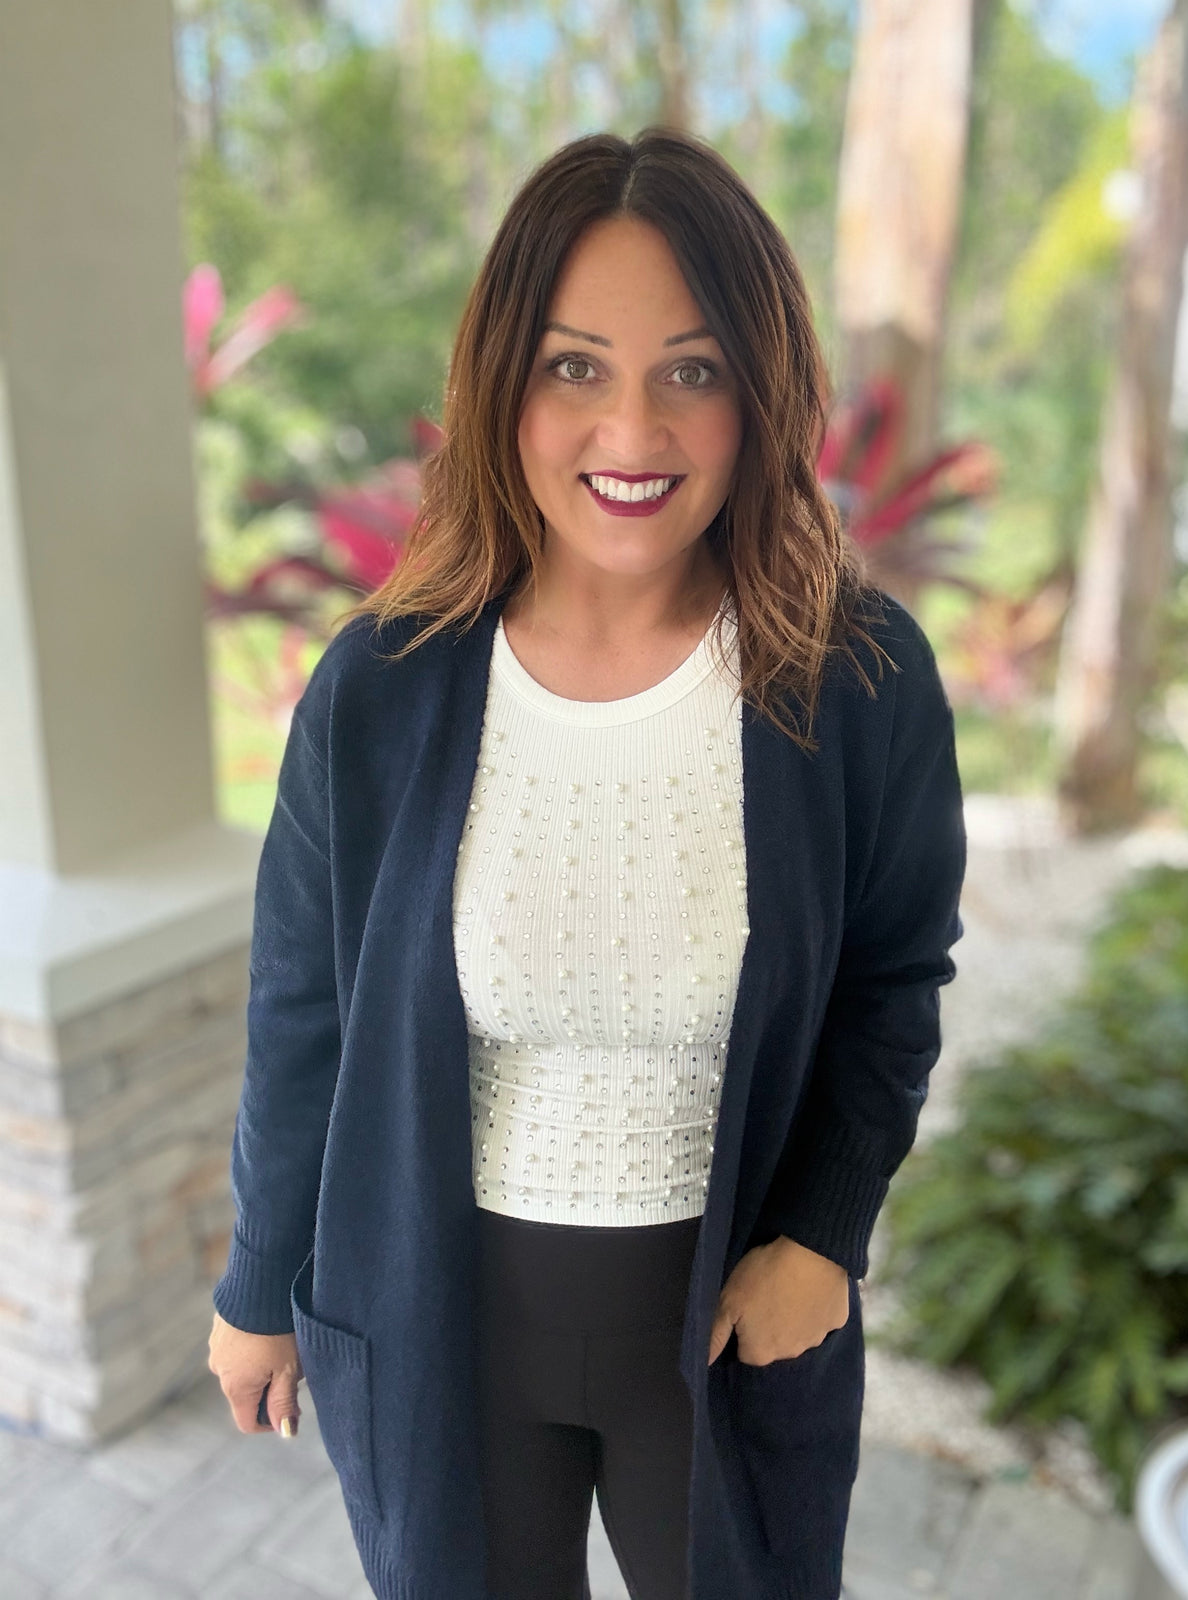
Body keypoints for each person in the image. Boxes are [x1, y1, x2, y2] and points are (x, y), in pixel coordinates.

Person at [207, 126, 967, 1600]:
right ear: (505, 386)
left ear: (763, 390)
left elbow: (894, 979)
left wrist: (822, 1229)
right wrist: (257, 1288)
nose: (634, 432)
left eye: (692, 368)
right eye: (575, 367)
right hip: (443, 1323)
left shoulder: (854, 679)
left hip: (724, 1335)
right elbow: (302, 1017)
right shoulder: (381, 687)